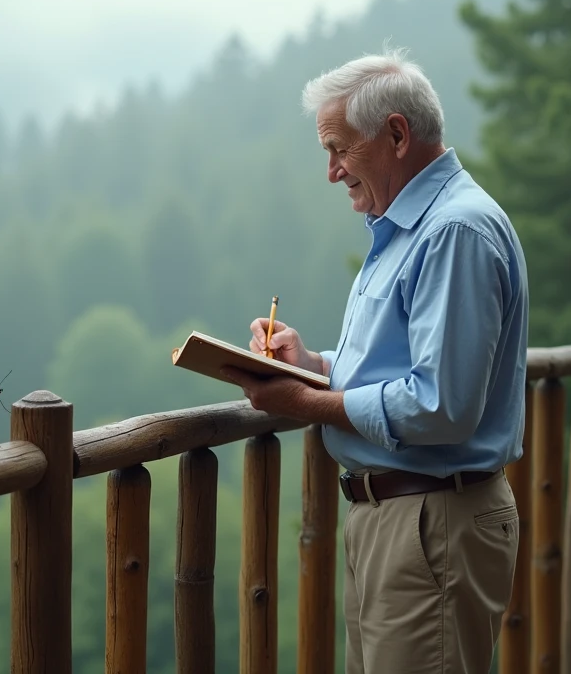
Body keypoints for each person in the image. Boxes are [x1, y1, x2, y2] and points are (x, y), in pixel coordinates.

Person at [220, 47, 529, 674]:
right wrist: (313, 363)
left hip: (429, 523)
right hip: (405, 522)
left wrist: (304, 402)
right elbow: (402, 369)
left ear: (395, 134)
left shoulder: (453, 233)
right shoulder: (413, 225)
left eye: (339, 148)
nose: (332, 171)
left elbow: (441, 407)